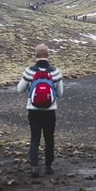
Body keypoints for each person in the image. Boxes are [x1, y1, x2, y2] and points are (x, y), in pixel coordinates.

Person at [17, 43, 64, 177]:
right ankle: (48, 166)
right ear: (48, 55)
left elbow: (20, 89)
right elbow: (60, 93)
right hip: (50, 110)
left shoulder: (29, 71)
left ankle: (34, 166)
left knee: (35, 137)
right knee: (49, 138)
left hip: (33, 110)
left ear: (35, 54)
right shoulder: (55, 71)